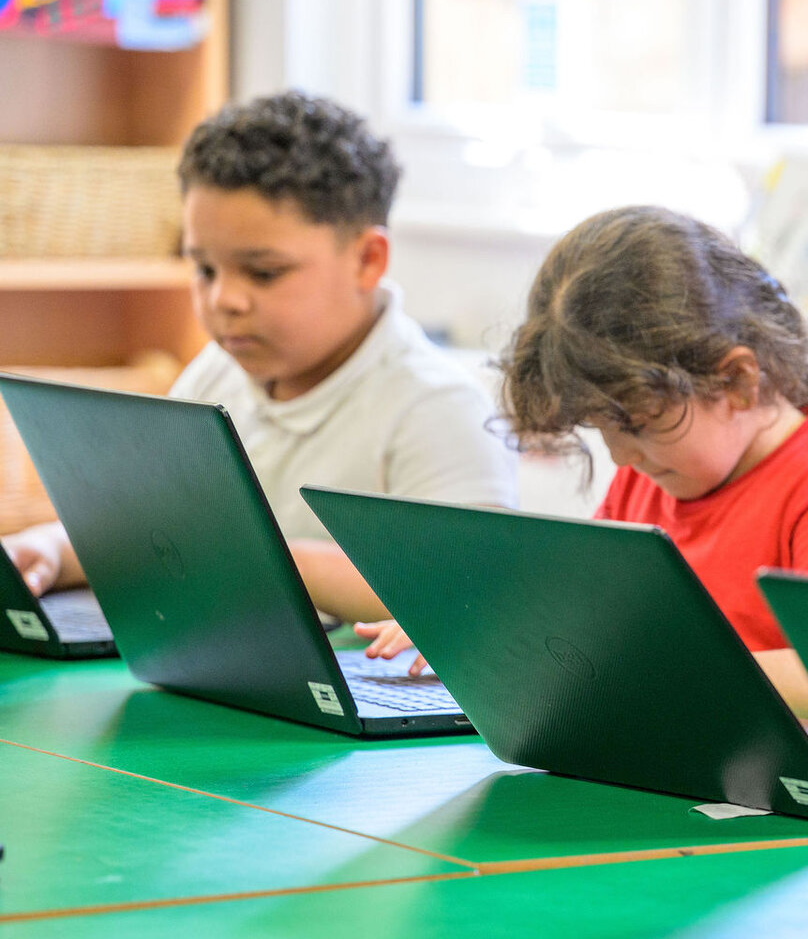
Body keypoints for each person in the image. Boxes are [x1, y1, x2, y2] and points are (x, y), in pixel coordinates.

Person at [359, 206, 808, 719]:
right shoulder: (650, 477)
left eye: (638, 425)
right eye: (602, 428)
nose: (620, 455)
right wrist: (481, 629)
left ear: (738, 382)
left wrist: (656, 671)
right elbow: (585, 616)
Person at [2, 91, 516, 623]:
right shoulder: (216, 373)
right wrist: (53, 549)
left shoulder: (437, 408)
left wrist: (264, 560)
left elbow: (475, 593)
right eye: (205, 269)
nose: (224, 299)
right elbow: (150, 528)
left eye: (264, 272)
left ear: (367, 260)